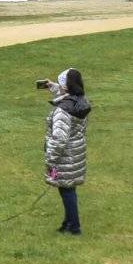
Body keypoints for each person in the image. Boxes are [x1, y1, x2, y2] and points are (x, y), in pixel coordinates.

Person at [40, 67, 91, 235]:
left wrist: (50, 158)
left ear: (66, 87)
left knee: (66, 190)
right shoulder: (81, 101)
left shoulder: (62, 111)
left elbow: (59, 139)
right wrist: (54, 87)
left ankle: (74, 227)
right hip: (75, 153)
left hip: (64, 155)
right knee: (69, 189)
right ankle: (68, 222)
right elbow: (67, 97)